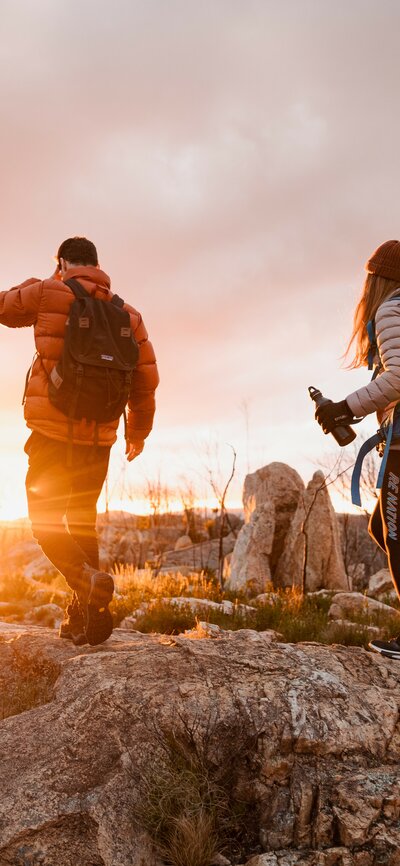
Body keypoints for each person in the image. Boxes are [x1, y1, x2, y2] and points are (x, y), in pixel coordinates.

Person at [0, 236, 159, 646]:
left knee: (44, 523)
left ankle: (86, 584)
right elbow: (145, 382)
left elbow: (4, 307)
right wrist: (137, 432)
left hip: (52, 434)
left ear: (63, 263)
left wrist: (41, 280)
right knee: (82, 521)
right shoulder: (129, 314)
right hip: (100, 439)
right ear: (97, 265)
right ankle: (87, 617)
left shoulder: (49, 291)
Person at [315, 239, 400, 659]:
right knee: (380, 527)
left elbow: (399, 377)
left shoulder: (390, 309)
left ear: (378, 279)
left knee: (395, 532)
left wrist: (345, 406)